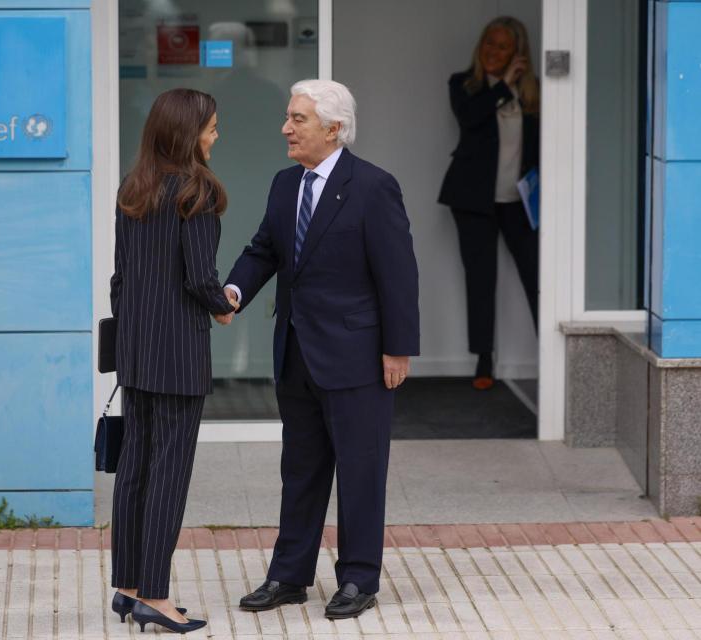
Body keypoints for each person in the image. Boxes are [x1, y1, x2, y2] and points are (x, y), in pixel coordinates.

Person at [224, 79, 420, 620]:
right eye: (289, 118)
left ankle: (359, 579)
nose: (286, 128)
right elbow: (263, 249)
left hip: (358, 357)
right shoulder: (286, 184)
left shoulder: (374, 187)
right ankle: (289, 576)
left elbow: (398, 275)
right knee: (301, 471)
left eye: (298, 119)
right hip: (296, 354)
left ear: (334, 129)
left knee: (360, 472)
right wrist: (234, 292)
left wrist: (398, 349)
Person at [108, 88, 238, 634]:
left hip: (135, 353)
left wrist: (132, 336)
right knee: (169, 474)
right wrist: (224, 306)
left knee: (134, 468)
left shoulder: (133, 187)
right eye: (210, 126)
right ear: (188, 132)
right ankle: (156, 597)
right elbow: (200, 278)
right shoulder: (198, 192)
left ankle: (129, 586)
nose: (215, 135)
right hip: (179, 356)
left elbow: (121, 280)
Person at [438, 16, 540, 390]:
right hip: (472, 199)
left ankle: (552, 354)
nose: (493, 52)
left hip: (519, 202)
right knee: (481, 281)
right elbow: (470, 120)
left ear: (518, 53)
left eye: (503, 47)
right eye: (489, 44)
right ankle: (484, 359)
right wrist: (504, 85)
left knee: (537, 277)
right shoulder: (464, 85)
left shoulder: (534, 93)